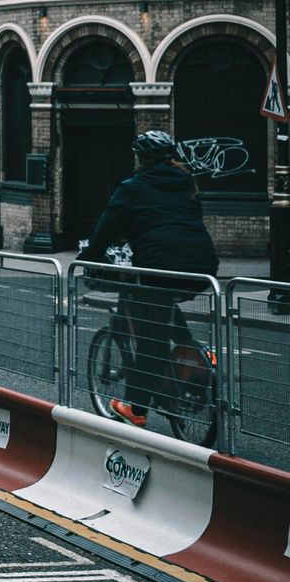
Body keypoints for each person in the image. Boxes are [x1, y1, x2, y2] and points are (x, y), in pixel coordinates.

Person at [84, 129, 220, 428]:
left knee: (150, 341)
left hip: (159, 268)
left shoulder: (132, 187)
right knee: (161, 307)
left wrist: (89, 256)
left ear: (140, 158)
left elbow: (106, 228)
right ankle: (195, 355)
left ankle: (136, 409)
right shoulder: (186, 182)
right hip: (202, 266)